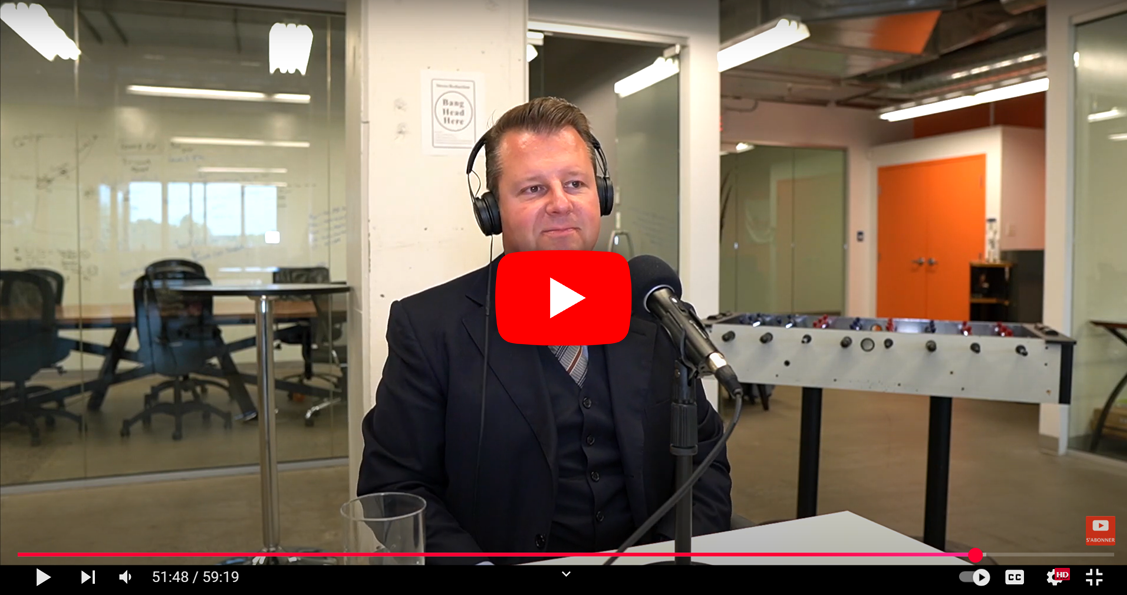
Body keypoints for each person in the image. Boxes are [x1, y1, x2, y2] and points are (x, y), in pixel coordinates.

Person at [356, 96, 732, 565]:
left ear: (603, 196)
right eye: (533, 189)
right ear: (491, 213)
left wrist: (667, 558)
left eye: (575, 183)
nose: (560, 204)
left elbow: (707, 463)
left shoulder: (654, 310)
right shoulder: (430, 327)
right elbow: (394, 486)